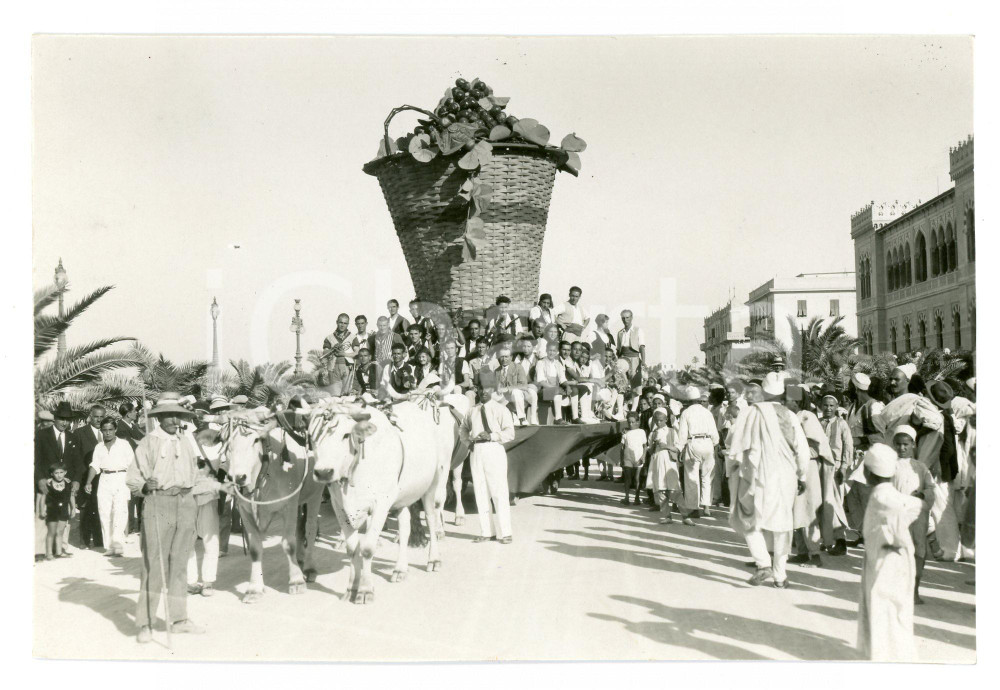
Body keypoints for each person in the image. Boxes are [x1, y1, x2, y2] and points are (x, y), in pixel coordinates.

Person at [126, 395, 205, 643]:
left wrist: (195, 497)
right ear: (159, 417)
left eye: (178, 415)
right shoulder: (148, 442)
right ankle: (146, 623)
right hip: (158, 502)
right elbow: (133, 478)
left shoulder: (186, 441)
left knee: (180, 563)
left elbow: (194, 472)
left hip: (185, 502)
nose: (174, 419)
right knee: (153, 564)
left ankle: (179, 619)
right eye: (168, 415)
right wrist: (145, 486)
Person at [726, 372, 810, 589]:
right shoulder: (791, 416)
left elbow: (733, 441)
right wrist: (802, 476)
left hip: (756, 474)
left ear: (763, 390)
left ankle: (763, 563)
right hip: (786, 475)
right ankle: (780, 576)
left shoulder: (750, 413)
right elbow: (802, 450)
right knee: (783, 525)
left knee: (749, 519)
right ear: (781, 393)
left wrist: (733, 468)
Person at [857, 444, 924, 662]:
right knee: (893, 608)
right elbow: (916, 505)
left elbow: (913, 506)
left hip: (887, 560)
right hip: (890, 558)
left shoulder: (882, 497)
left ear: (868, 471)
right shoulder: (888, 494)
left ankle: (887, 658)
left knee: (885, 607)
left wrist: (895, 538)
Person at [460, 385, 516, 544]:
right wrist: (467, 443)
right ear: (477, 390)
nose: (484, 392)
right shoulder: (472, 410)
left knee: (498, 492)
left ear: (493, 390)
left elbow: (510, 433)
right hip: (477, 451)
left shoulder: (501, 409)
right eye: (481, 388)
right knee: (480, 491)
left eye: (488, 389)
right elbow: (463, 428)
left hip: (494, 449)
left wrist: (491, 435)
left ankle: (505, 533)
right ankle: (486, 532)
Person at [890, 425, 935, 604]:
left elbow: (931, 488)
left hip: (917, 515)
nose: (902, 448)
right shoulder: (889, 466)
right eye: (899, 444)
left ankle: (914, 590)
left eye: (906, 444)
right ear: (893, 444)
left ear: (913, 445)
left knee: (918, 550)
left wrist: (923, 494)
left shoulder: (921, 467)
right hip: (896, 514)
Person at [785, 386, 829, 568]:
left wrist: (796, 453)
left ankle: (815, 554)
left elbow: (814, 447)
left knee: (809, 508)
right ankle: (802, 551)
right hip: (795, 467)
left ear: (796, 400)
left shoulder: (807, 417)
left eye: (787, 399)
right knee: (796, 510)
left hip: (808, 468)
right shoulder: (792, 417)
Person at [85, 416, 135, 556]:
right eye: (105, 430)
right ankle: (109, 547)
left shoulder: (124, 444)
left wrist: (133, 482)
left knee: (120, 512)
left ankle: (117, 545)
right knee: (104, 512)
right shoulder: (98, 447)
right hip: (104, 479)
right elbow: (95, 465)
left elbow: (132, 464)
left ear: (115, 430)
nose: (107, 433)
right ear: (101, 431)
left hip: (121, 478)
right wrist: (88, 482)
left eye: (110, 430)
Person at [675, 385, 720, 525]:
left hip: (693, 442)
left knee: (691, 476)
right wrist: (714, 444)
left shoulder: (686, 413)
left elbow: (682, 434)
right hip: (707, 443)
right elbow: (714, 432)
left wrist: (679, 449)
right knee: (707, 476)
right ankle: (706, 507)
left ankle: (694, 508)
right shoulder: (707, 412)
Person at [187, 428, 224, 598]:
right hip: (187, 497)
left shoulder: (222, 447)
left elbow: (227, 467)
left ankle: (208, 581)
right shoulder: (185, 442)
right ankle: (191, 581)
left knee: (211, 540)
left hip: (208, 496)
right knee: (187, 540)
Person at [69, 404, 107, 550]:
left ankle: (99, 540)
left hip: (103, 478)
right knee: (85, 509)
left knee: (100, 508)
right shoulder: (79, 433)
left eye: (101, 417)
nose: (98, 419)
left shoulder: (108, 432)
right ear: (90, 417)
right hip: (86, 477)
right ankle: (84, 540)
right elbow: (76, 458)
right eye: (95, 416)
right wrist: (77, 479)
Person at [819, 394, 852, 556]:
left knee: (836, 504)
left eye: (832, 406)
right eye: (825, 405)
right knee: (822, 504)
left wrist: (844, 468)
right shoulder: (817, 423)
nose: (828, 409)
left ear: (836, 406)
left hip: (836, 468)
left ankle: (841, 541)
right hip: (820, 467)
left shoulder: (841, 424)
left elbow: (848, 447)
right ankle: (827, 540)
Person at [649, 407, 681, 524]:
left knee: (674, 489)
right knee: (661, 489)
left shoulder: (672, 432)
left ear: (666, 419)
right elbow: (650, 451)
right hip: (658, 462)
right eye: (656, 420)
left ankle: (685, 516)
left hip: (669, 462)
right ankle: (667, 516)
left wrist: (666, 446)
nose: (659, 423)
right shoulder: (653, 434)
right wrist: (654, 444)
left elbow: (678, 448)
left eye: (661, 420)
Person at [37, 462, 75, 559]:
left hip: (63, 510)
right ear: (52, 474)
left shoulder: (68, 483)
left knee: (60, 531)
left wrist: (73, 508)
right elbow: (43, 497)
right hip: (52, 510)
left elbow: (71, 496)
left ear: (65, 472)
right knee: (51, 532)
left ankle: (59, 552)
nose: (59, 475)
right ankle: (49, 553)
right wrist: (42, 510)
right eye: (56, 473)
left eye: (61, 472)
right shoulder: (49, 483)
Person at [534, 341, 571, 425]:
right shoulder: (541, 363)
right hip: (541, 392)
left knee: (566, 391)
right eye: (550, 350)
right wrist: (555, 389)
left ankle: (563, 418)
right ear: (546, 351)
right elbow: (541, 381)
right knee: (557, 391)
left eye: (554, 351)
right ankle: (558, 418)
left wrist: (567, 386)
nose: (551, 353)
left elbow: (562, 379)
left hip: (554, 392)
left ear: (557, 352)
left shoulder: (558, 364)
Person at [494, 345, 531, 426]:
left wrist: (507, 389)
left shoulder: (518, 367)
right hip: (505, 400)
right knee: (492, 396)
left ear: (511, 357)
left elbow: (524, 385)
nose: (504, 359)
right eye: (502, 357)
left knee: (516, 392)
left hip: (520, 398)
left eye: (506, 356)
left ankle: (522, 417)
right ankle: (507, 417)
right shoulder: (497, 371)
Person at [620, 412, 647, 505]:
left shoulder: (641, 432)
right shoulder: (625, 433)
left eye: (633, 422)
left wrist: (643, 456)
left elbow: (645, 446)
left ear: (638, 422)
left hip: (638, 457)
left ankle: (637, 497)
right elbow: (622, 448)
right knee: (627, 478)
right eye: (629, 422)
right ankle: (626, 497)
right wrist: (621, 459)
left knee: (637, 478)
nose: (631, 424)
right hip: (628, 458)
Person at [617, 309, 645, 387]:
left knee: (635, 384)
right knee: (621, 383)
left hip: (634, 359)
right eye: (623, 318)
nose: (625, 320)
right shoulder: (620, 333)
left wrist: (643, 361)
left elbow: (642, 347)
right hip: (623, 359)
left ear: (631, 317)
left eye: (627, 317)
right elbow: (618, 349)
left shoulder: (638, 330)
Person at [322, 312, 355, 379]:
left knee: (346, 389)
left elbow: (357, 353)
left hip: (348, 368)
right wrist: (332, 349)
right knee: (334, 389)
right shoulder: (329, 338)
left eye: (345, 323)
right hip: (332, 369)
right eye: (341, 322)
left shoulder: (353, 337)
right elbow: (324, 353)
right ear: (337, 322)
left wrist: (344, 354)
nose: (342, 325)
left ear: (348, 324)